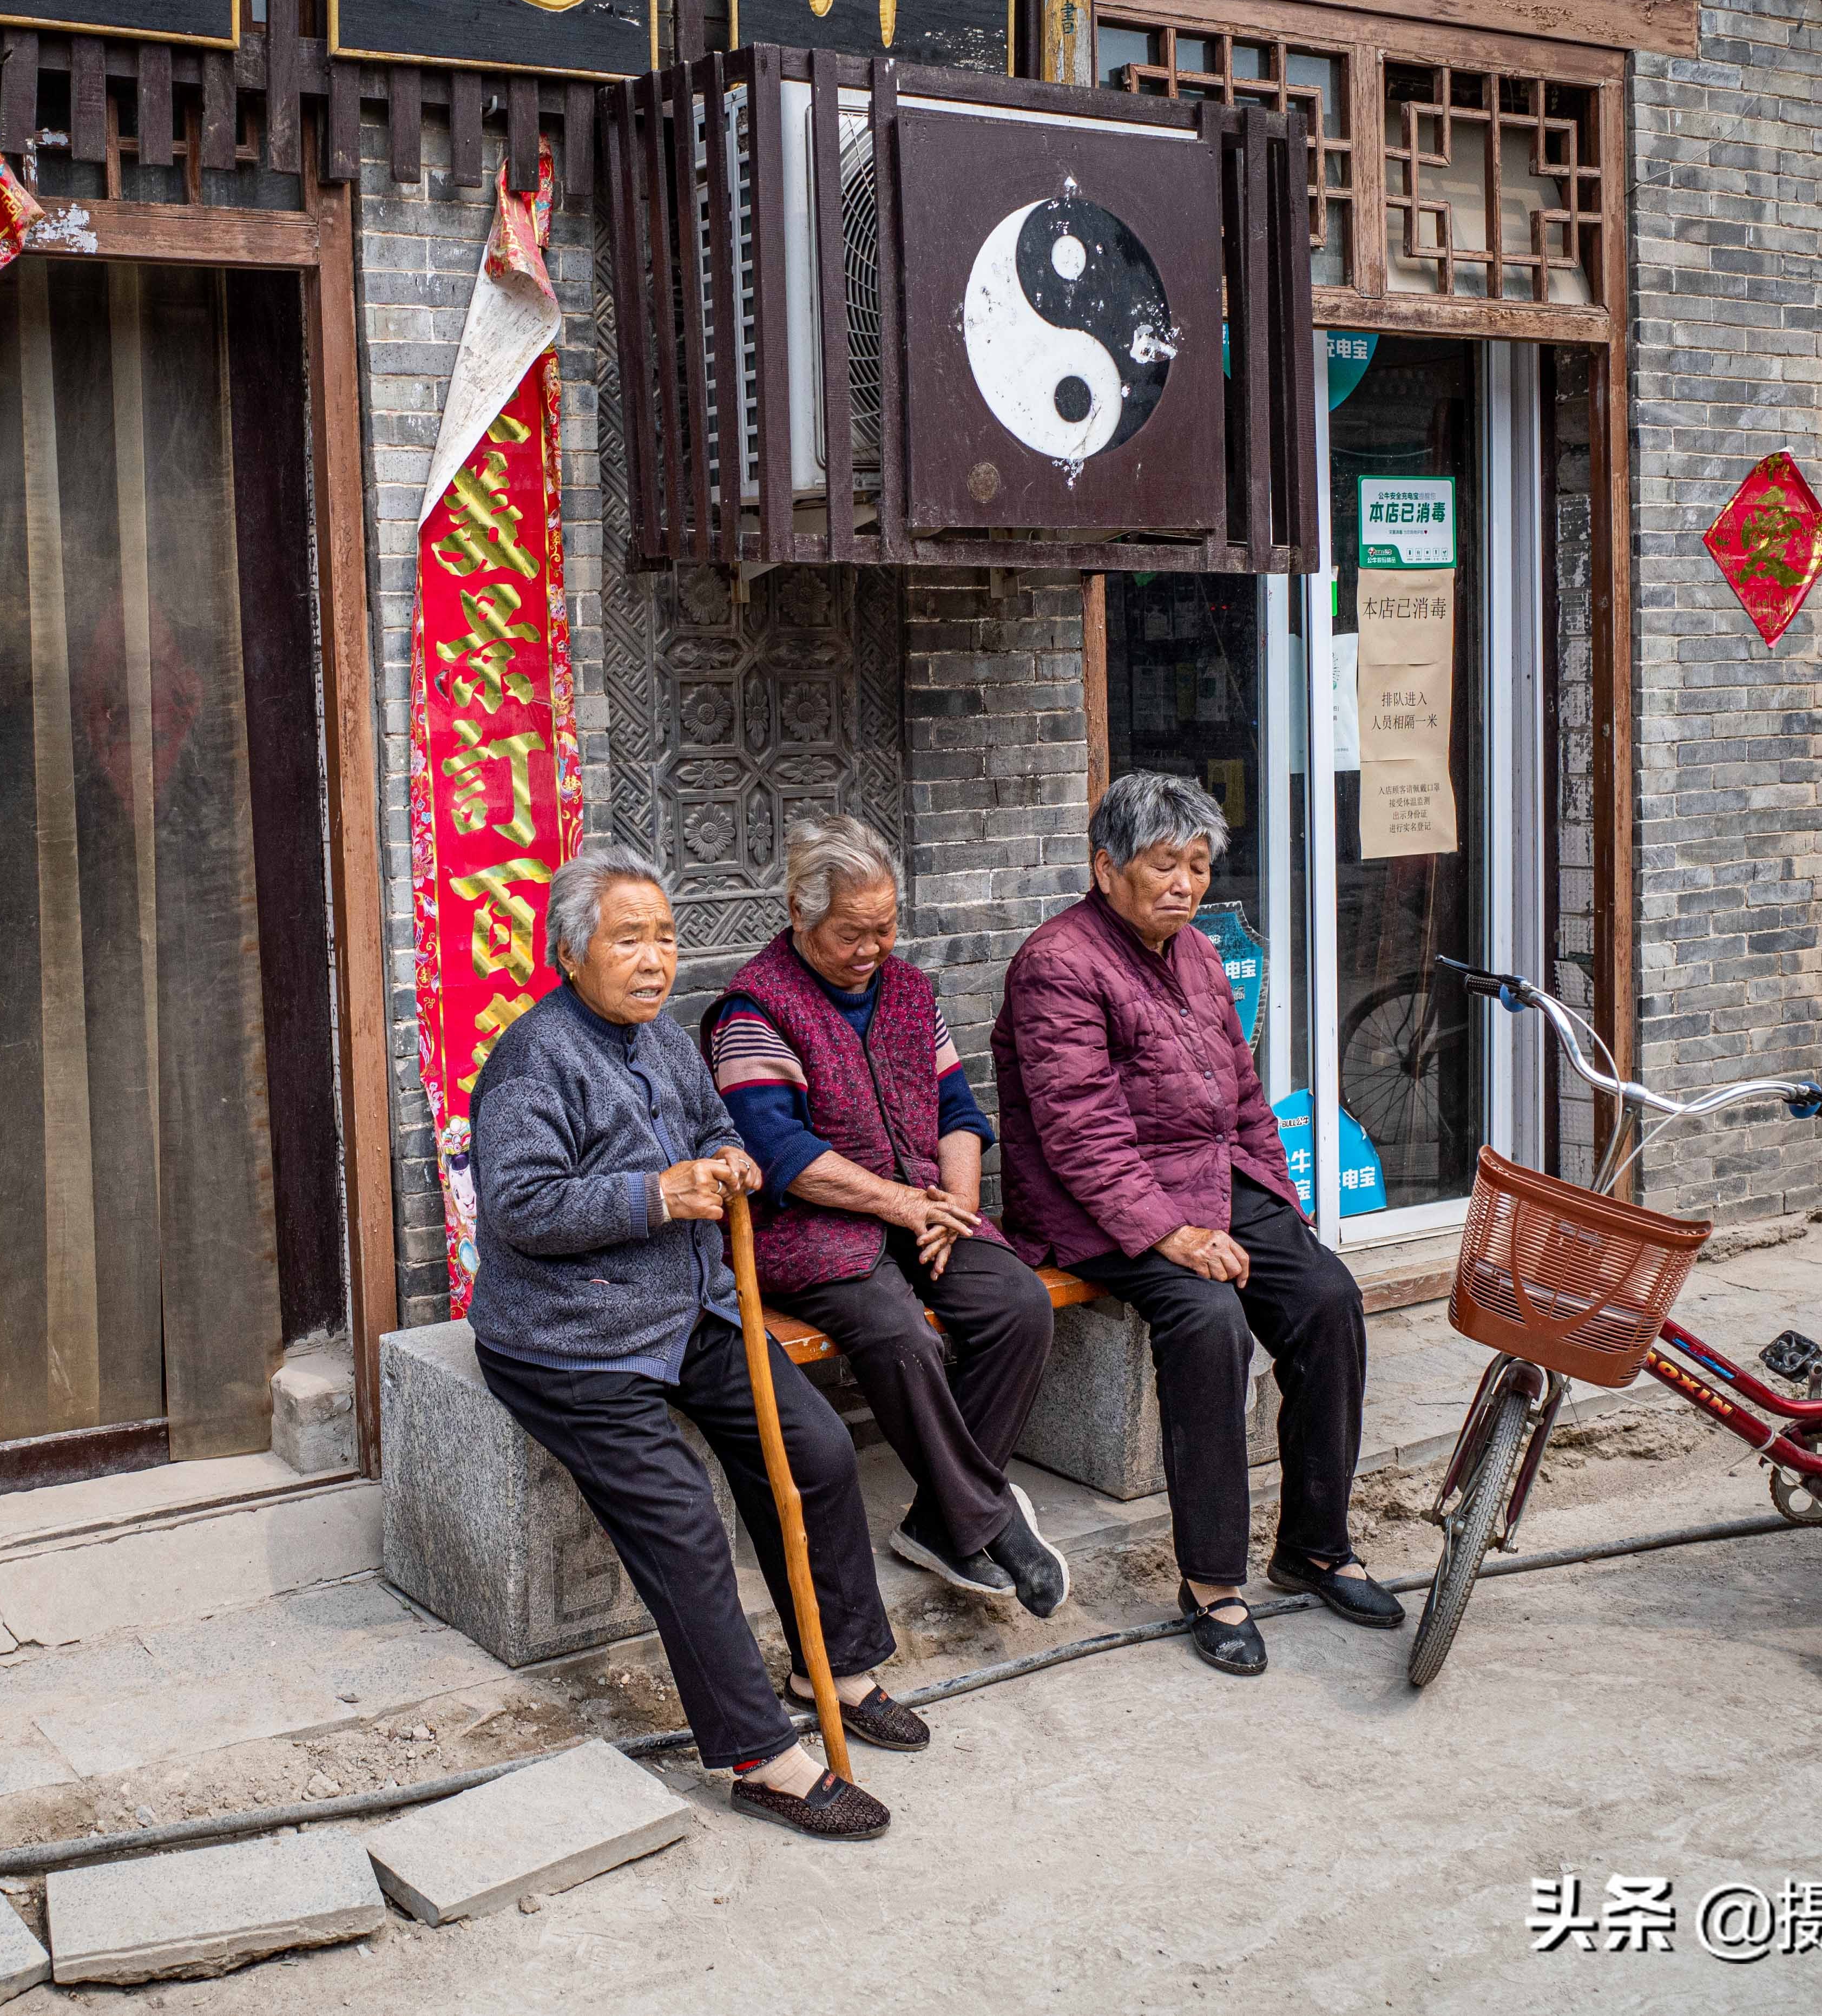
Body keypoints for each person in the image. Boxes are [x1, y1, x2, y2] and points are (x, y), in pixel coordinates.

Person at [468, 840, 922, 1841]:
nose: (653, 960)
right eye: (628, 941)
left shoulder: (669, 1038)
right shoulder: (534, 1056)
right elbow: (518, 1207)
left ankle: (833, 1664)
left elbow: (717, 1118)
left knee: (813, 1450)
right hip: (571, 1335)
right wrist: (656, 1193)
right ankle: (760, 1755)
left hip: (688, 1310)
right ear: (573, 953)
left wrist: (725, 1156)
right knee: (681, 1516)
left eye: (665, 939)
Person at [992, 771, 1403, 1678]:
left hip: (1215, 1177)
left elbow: (1243, 1097)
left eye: (1197, 865)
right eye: (1161, 865)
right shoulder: (1058, 964)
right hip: (1099, 1203)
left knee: (1327, 1297)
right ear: (1106, 870)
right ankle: (1210, 1581)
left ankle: (1314, 1546)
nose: (1183, 885)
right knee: (1207, 1323)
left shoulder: (1196, 953)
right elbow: (1078, 1130)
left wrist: (1284, 1211)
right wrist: (1170, 1236)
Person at [703, 816, 1068, 1616]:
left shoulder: (908, 990)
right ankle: (986, 1517)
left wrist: (956, 1208)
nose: (872, 949)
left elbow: (958, 1112)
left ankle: (941, 1521)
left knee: (1016, 1304)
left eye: (885, 927)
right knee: (901, 1336)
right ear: (799, 917)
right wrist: (902, 1203)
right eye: (850, 933)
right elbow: (778, 1150)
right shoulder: (752, 1009)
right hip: (808, 1231)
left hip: (925, 1208)